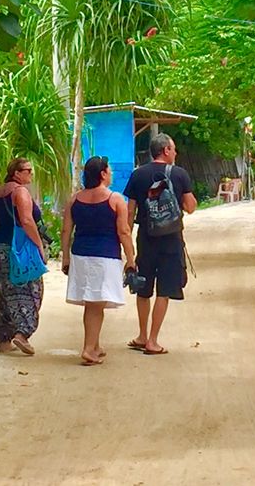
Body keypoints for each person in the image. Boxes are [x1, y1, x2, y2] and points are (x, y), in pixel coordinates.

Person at [124, 133, 196, 355]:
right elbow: (190, 207)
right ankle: (153, 341)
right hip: (171, 239)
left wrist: (127, 240)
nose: (175, 152)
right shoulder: (179, 174)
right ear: (166, 150)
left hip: (146, 238)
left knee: (143, 287)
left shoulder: (137, 175)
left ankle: (142, 335)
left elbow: (130, 211)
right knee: (164, 290)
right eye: (173, 149)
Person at [60, 156, 136, 366]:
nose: (111, 173)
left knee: (93, 303)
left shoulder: (74, 199)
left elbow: (66, 230)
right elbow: (124, 231)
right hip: (105, 257)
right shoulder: (115, 199)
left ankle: (94, 345)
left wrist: (65, 256)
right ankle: (88, 348)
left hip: (80, 255)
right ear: (103, 174)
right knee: (95, 305)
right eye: (109, 170)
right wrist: (131, 258)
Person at [0, 157, 48, 355]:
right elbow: (27, 220)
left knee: (3, 293)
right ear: (16, 173)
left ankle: (4, 340)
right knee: (32, 290)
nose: (31, 173)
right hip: (19, 247)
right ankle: (23, 333)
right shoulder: (20, 192)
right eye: (28, 170)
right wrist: (39, 246)